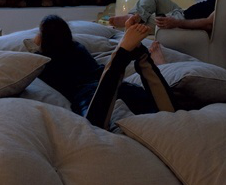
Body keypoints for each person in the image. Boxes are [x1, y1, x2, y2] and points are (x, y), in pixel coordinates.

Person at [34, 15, 175, 130]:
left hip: (89, 94)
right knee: (164, 109)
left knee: (93, 126)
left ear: (44, 38)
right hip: (117, 86)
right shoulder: (77, 47)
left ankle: (123, 52)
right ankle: (137, 51)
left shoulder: (42, 61)